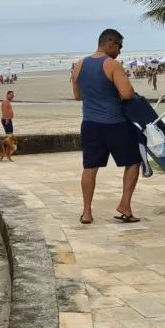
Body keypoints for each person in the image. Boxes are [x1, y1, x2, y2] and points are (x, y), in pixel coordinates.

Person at [71, 29, 141, 225]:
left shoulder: (79, 65)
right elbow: (127, 94)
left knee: (90, 167)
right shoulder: (112, 65)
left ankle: (86, 213)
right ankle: (125, 206)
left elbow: (78, 96)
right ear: (110, 43)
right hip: (115, 123)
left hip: (90, 124)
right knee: (133, 161)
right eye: (119, 46)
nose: (120, 50)